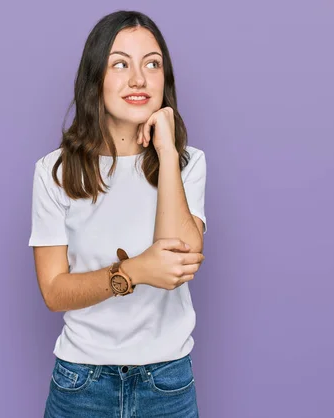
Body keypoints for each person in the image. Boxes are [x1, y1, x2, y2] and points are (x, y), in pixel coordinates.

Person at [29, 10, 207, 417]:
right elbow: (54, 291)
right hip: (81, 384)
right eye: (120, 64)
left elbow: (179, 255)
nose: (139, 79)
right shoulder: (54, 172)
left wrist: (166, 150)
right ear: (96, 79)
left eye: (152, 64)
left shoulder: (187, 163)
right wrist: (134, 272)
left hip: (167, 384)